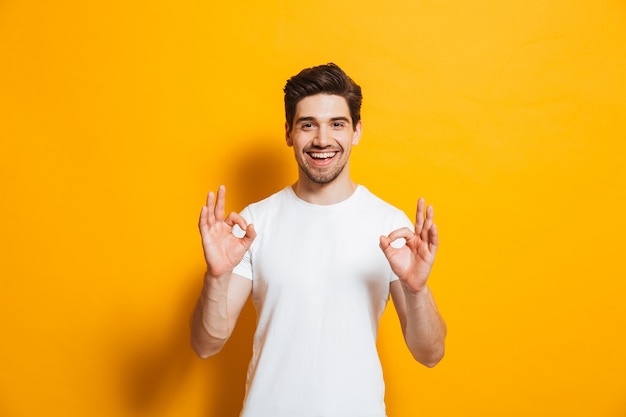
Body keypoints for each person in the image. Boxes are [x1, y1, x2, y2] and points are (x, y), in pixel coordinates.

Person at [191, 63, 446, 417]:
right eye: (307, 124)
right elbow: (206, 344)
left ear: (356, 131)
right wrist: (216, 277)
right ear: (288, 133)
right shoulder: (252, 224)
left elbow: (429, 353)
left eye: (336, 124)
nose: (322, 139)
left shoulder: (390, 226)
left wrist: (417, 290)